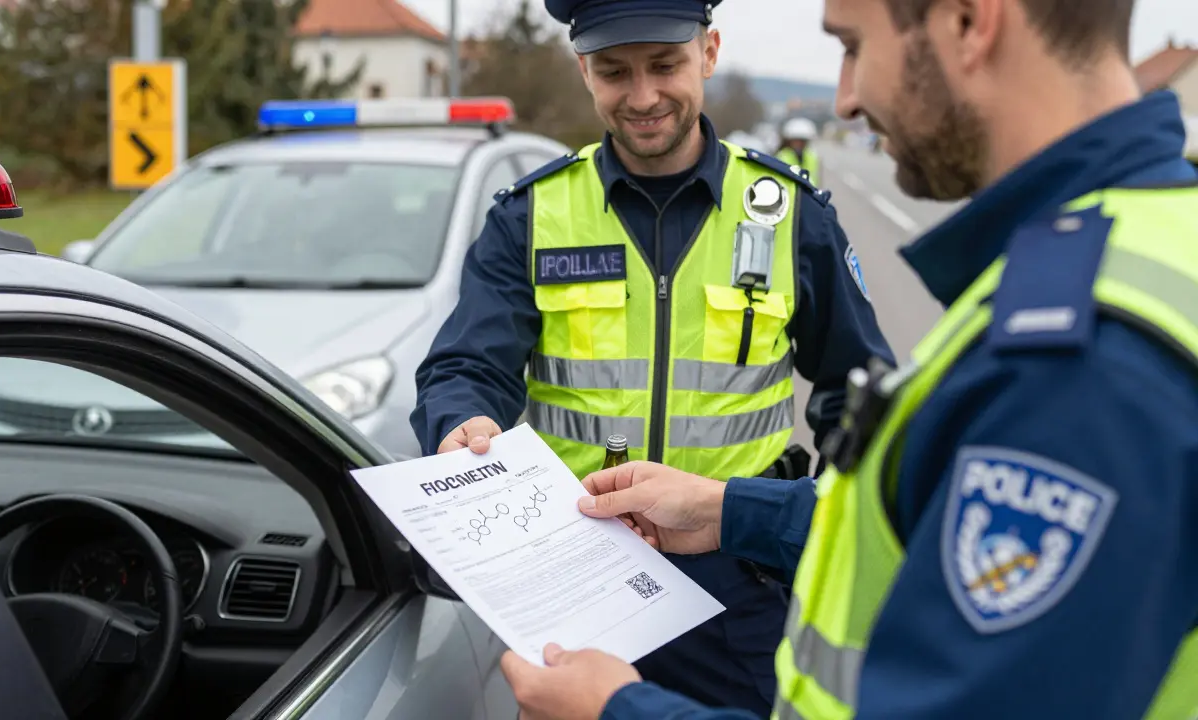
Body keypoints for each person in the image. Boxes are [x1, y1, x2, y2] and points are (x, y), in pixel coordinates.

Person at [496, 0, 1198, 717]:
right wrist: (731, 510)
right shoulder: (1146, 246)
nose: (846, 99)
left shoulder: (1076, 356)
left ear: (969, 21)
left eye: (853, 47)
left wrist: (617, 711)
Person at [409, 0, 895, 714]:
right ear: (584, 71)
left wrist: (819, 534)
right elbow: (463, 368)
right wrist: (461, 422)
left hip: (739, 584)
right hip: (576, 580)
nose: (642, 97)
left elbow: (859, 398)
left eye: (664, 65)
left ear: (709, 52)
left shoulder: (791, 216)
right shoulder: (532, 215)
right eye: (614, 72)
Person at [775, 118, 822, 185]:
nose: (799, 144)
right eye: (796, 140)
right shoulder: (782, 156)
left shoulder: (812, 157)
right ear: (789, 141)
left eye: (802, 141)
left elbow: (816, 180)